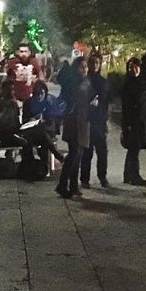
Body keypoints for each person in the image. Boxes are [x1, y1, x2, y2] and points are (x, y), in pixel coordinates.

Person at [57, 57, 90, 199]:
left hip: (82, 121)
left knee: (78, 154)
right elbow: (76, 100)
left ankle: (73, 185)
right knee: (74, 154)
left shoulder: (83, 81)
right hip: (74, 121)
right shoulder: (74, 82)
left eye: (86, 66)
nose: (85, 69)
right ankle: (63, 185)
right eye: (82, 66)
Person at [120, 57, 146, 186]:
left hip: (139, 121)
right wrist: (126, 124)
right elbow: (126, 106)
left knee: (133, 149)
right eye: (132, 68)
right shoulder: (128, 85)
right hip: (132, 121)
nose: (134, 70)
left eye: (137, 67)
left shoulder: (141, 83)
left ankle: (128, 174)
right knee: (134, 149)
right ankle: (134, 175)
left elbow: (145, 101)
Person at [80, 55, 111, 187]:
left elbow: (107, 102)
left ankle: (102, 176)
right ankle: (85, 179)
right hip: (88, 120)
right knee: (87, 152)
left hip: (100, 121)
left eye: (97, 63)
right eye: (92, 63)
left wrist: (106, 119)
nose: (95, 65)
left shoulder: (104, 82)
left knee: (102, 151)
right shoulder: (85, 81)